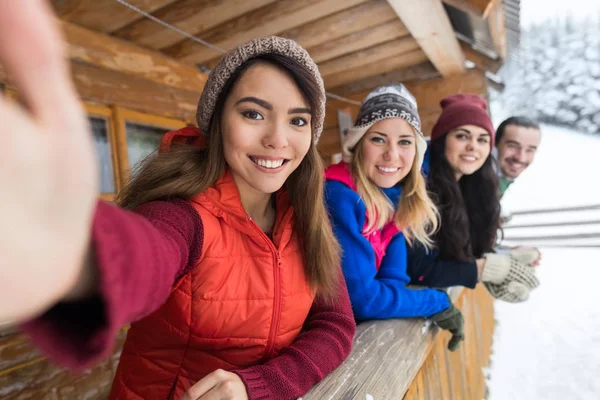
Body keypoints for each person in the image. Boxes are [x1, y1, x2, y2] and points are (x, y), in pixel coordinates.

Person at [0, 3, 356, 399]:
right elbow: (149, 253)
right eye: (254, 114)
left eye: (298, 120)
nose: (278, 138)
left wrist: (260, 385)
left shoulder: (305, 216)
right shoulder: (182, 213)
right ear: (218, 122)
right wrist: (74, 255)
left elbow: (336, 324)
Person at [324, 84, 465, 352]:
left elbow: (391, 281)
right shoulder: (339, 196)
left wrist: (389, 299)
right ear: (358, 144)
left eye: (404, 142)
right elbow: (364, 300)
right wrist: (435, 301)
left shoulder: (392, 201)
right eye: (378, 139)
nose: (392, 154)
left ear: (416, 153)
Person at [407, 94, 540, 303]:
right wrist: (483, 269)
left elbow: (454, 244)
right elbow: (416, 268)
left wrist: (501, 257)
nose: (473, 146)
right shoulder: (417, 186)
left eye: (482, 139)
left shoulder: (472, 183)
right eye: (462, 136)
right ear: (442, 139)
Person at [494, 116, 542, 198]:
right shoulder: (478, 181)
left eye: (530, 150)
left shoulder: (500, 176)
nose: (521, 158)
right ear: (495, 143)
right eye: (512, 146)